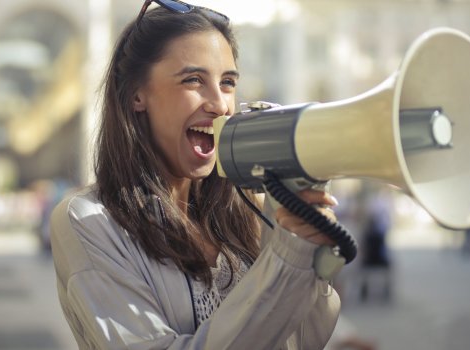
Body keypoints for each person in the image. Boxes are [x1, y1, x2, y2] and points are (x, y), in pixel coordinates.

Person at [49, 1, 341, 348]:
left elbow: (302, 342)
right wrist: (285, 261)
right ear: (136, 95)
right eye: (193, 80)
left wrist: (307, 254)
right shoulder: (89, 221)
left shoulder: (251, 209)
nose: (219, 104)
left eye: (228, 82)